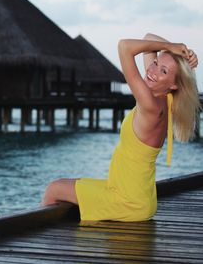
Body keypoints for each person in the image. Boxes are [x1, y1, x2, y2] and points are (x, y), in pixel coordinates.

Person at [41, 33, 200, 222]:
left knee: (54, 189)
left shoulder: (149, 104)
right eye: (156, 63)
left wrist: (173, 47)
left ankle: (36, 246)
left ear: (173, 85)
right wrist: (176, 49)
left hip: (126, 201)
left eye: (163, 71)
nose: (153, 70)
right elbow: (149, 38)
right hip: (138, 198)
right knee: (68, 185)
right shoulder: (165, 100)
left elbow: (124, 47)